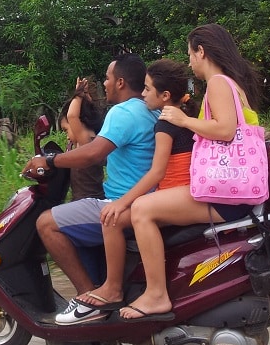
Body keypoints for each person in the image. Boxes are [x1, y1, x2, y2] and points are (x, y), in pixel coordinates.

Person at [120, 24, 263, 321]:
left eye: (190, 54)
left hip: (225, 194)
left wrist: (183, 121)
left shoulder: (219, 84)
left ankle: (156, 295)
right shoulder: (234, 83)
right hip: (233, 189)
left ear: (202, 51)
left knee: (142, 210)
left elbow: (224, 130)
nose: (189, 62)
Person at [22, 53, 158, 325]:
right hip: (146, 201)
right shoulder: (150, 110)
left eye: (107, 78)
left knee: (46, 223)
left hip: (120, 203)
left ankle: (90, 298)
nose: (105, 84)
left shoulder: (123, 112)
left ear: (120, 82)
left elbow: (92, 154)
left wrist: (50, 160)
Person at [70, 58, 196, 320]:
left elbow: (157, 172)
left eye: (147, 90)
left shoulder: (164, 123)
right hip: (179, 191)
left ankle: (119, 289)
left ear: (165, 95)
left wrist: (121, 201)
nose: (143, 94)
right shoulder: (179, 118)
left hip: (173, 193)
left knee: (112, 219)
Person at [59, 77, 105, 201]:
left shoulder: (86, 141)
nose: (67, 136)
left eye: (66, 130)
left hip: (88, 201)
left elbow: (72, 115)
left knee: (44, 219)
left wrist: (78, 94)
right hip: (83, 199)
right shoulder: (93, 139)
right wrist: (86, 98)